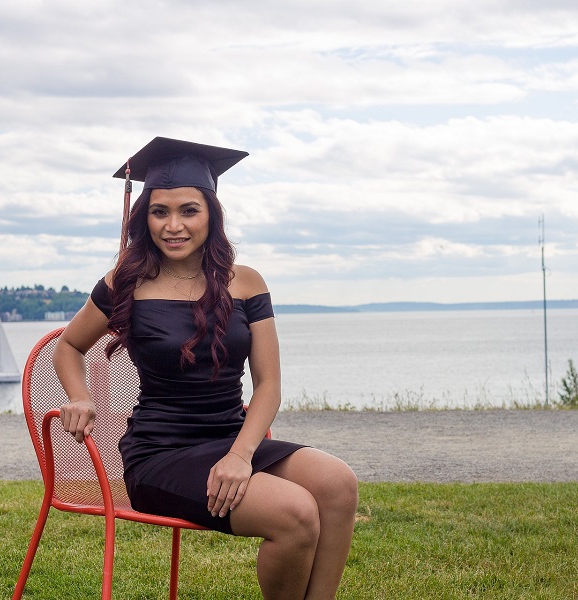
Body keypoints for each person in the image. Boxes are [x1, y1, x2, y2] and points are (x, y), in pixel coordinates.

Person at [54, 137, 358, 599]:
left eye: (188, 210)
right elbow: (69, 347)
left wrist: (239, 454)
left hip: (231, 441)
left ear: (211, 213)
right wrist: (79, 395)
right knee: (295, 514)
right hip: (161, 455)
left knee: (338, 484)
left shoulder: (246, 283)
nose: (173, 225)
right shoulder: (126, 282)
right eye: (160, 212)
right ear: (145, 216)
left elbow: (269, 385)